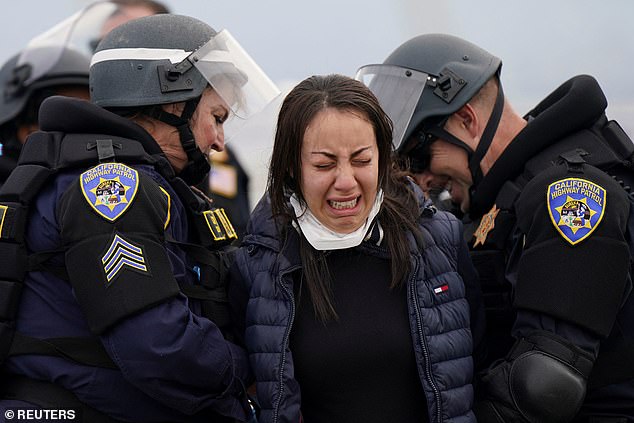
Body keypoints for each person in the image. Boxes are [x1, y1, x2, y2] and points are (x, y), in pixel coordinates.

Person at [0, 10, 279, 423]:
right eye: (217, 118)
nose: (220, 142)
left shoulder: (103, 175)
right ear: (172, 100)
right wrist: (252, 369)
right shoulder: (114, 187)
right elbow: (157, 344)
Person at [356, 33, 634, 422]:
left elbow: (545, 385)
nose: (418, 180)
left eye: (419, 156)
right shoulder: (500, 200)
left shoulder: (567, 192)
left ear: (467, 120)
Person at [228, 74, 485, 423]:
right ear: (291, 166)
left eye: (362, 161)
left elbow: (480, 363)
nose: (346, 181)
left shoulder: (438, 242)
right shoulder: (258, 266)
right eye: (324, 164)